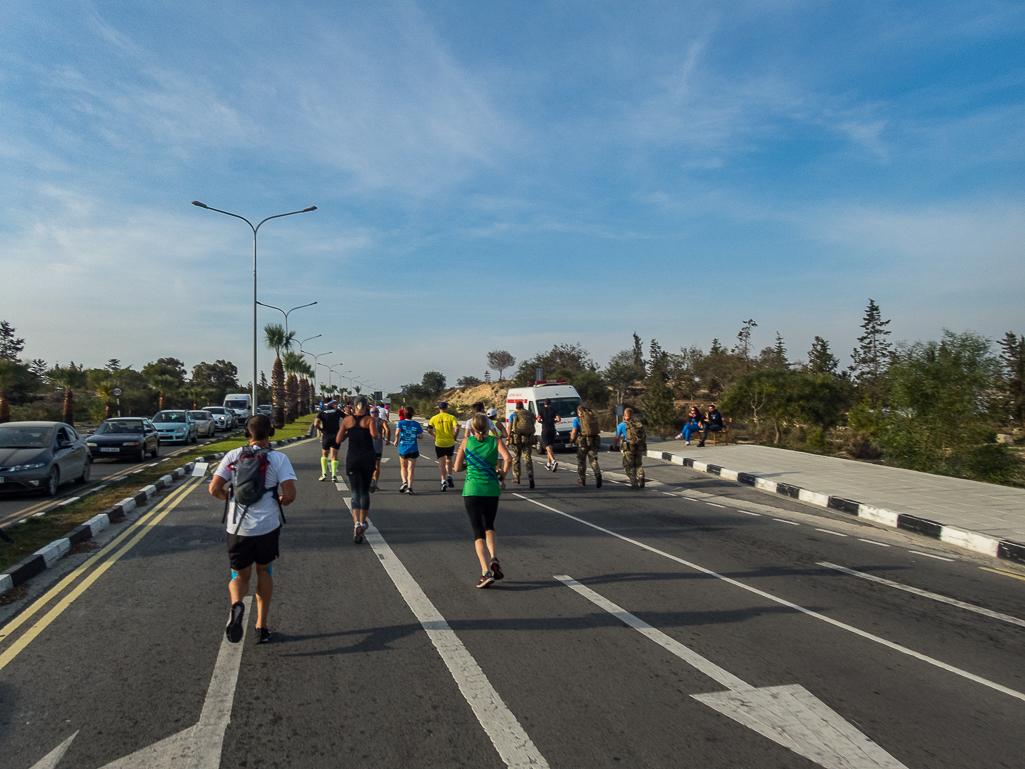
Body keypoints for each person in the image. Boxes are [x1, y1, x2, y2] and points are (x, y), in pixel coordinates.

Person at [209, 414, 296, 645]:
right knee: (264, 571)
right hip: (267, 526)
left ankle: (237, 604)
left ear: (247, 433)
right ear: (271, 434)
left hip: (237, 527)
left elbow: (214, 489)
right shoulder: (279, 459)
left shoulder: (233, 455)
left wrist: (231, 496)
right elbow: (289, 495)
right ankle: (261, 627)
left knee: (240, 575)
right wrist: (279, 500)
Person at [454, 413, 512, 588]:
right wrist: (502, 474)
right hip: (491, 489)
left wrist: (469, 465)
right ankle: (494, 557)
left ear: (471, 428)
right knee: (489, 526)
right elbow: (508, 458)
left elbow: (456, 468)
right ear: (488, 427)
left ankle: (485, 571)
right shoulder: (496, 442)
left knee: (477, 532)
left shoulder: (466, 442)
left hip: (472, 490)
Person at [336, 397, 381, 544]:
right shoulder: (369, 420)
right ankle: (362, 522)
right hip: (367, 458)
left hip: (353, 459)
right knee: (365, 491)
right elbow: (375, 435)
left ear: (354, 406)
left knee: (355, 492)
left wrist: (349, 432)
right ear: (366, 406)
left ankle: (356, 524)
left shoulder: (347, 420)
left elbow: (338, 440)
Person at [427, 401, 460, 492]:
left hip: (439, 442)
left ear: (439, 408)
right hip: (450, 442)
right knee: (449, 459)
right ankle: (450, 475)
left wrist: (434, 435)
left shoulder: (434, 418)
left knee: (441, 462)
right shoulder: (451, 417)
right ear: (446, 408)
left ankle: (443, 480)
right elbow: (457, 428)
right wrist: (455, 436)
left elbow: (429, 429)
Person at [613, 406, 647, 490]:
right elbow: (645, 436)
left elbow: (617, 437)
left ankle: (634, 483)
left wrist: (614, 446)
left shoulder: (622, 424)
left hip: (628, 447)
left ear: (625, 415)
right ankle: (641, 476)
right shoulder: (638, 423)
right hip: (639, 447)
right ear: (632, 415)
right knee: (638, 464)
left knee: (628, 465)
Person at [569, 404, 603, 488]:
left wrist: (571, 441)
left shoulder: (577, 420)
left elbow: (574, 432)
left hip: (582, 443)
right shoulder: (592, 419)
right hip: (593, 441)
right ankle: (597, 473)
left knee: (581, 462)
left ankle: (582, 479)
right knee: (593, 460)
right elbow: (598, 429)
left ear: (578, 412)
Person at [314, 399, 344, 481]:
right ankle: (334, 475)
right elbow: (347, 418)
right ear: (332, 403)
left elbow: (316, 423)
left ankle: (324, 474)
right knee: (334, 457)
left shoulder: (322, 412)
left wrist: (320, 429)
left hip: (326, 436)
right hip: (336, 436)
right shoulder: (337, 411)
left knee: (324, 455)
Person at [508, 401, 536, 488]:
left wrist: (508, 439)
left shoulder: (514, 415)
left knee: (516, 457)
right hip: (527, 439)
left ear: (516, 407)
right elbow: (533, 424)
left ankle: (516, 477)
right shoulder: (529, 414)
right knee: (527, 457)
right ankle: (530, 476)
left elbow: (509, 427)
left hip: (517, 440)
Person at [395, 406, 423, 493]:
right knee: (411, 469)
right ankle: (410, 487)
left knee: (403, 467)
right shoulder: (416, 424)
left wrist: (396, 440)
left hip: (403, 448)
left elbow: (397, 432)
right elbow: (421, 436)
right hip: (413, 448)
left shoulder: (401, 423)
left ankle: (404, 482)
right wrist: (415, 435)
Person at [369, 406, 391, 492]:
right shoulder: (381, 421)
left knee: (368, 465)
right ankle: (375, 484)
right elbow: (388, 429)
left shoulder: (366, 421)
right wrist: (388, 439)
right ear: (378, 413)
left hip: (367, 446)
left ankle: (368, 482)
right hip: (377, 446)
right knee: (377, 465)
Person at [537, 397, 560, 471]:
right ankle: (548, 464)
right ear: (550, 404)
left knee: (548, 448)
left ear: (544, 404)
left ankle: (553, 461)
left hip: (545, 430)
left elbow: (538, 419)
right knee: (550, 448)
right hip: (552, 430)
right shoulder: (554, 410)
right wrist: (554, 421)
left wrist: (541, 422)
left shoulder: (541, 411)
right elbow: (559, 419)